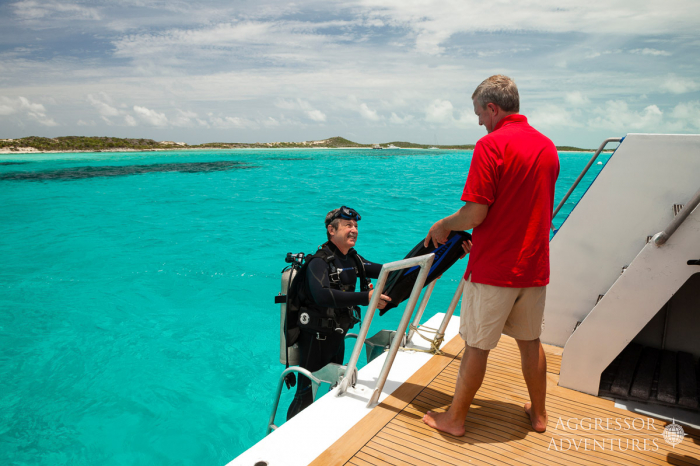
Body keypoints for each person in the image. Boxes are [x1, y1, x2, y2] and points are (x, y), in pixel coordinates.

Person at [422, 75, 560, 435]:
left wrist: (443, 226)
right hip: (534, 267)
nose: (479, 121)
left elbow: (475, 213)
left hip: (495, 268)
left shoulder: (491, 145)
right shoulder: (547, 146)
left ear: (493, 108)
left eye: (479, 113)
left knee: (477, 346)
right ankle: (540, 415)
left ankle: (454, 419)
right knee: (530, 343)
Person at [286, 206, 391, 420]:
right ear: (331, 230)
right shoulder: (318, 262)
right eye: (348, 226)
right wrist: (366, 298)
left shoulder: (354, 260)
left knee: (336, 387)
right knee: (306, 393)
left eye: (355, 226)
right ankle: (285, 440)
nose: (354, 230)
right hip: (315, 339)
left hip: (337, 336)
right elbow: (322, 296)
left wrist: (428, 263)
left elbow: (386, 270)